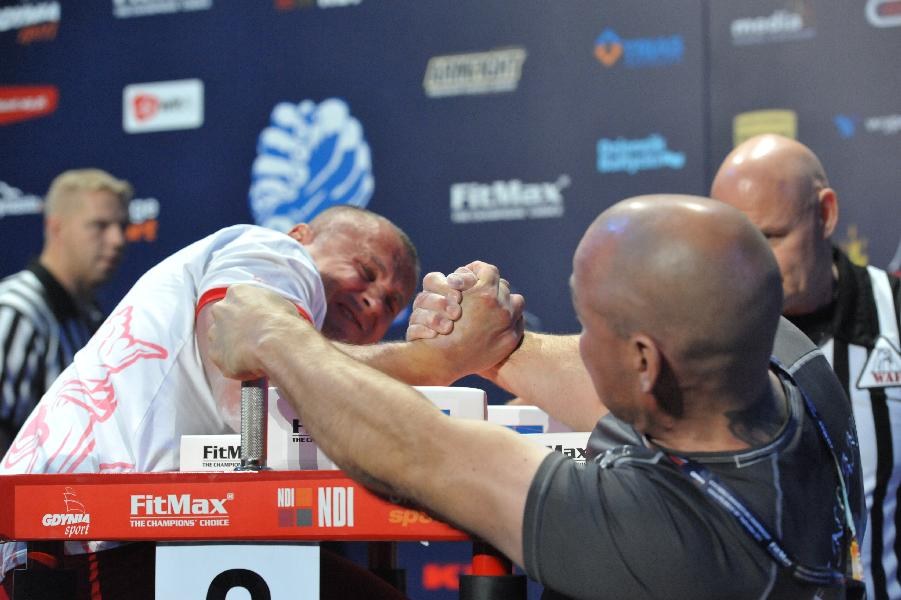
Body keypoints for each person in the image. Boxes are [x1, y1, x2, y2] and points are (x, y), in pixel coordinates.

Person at [207, 196, 863, 599]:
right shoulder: (791, 367)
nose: (575, 339)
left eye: (589, 323)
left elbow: (415, 450)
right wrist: (494, 350)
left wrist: (274, 337)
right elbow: (610, 382)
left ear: (642, 359)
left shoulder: (660, 539)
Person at [0, 205, 419, 599]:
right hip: (74, 537)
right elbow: (243, 364)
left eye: (392, 303)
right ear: (300, 236)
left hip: (133, 532)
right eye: (366, 272)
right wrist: (435, 360)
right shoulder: (273, 252)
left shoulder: (318, 370)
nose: (374, 301)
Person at [711, 134, 901, 600]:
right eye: (735, 243)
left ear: (826, 214)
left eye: (770, 237)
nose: (751, 264)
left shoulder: (894, 315)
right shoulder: (698, 335)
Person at [0, 169, 131, 453]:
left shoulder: (89, 316)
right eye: (100, 225)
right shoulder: (18, 311)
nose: (118, 240)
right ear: (56, 228)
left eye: (122, 226)